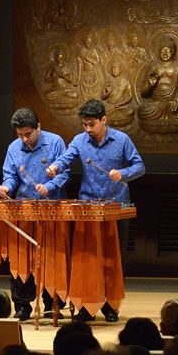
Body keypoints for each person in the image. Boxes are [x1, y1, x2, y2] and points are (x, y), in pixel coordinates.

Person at [47, 99, 145, 322]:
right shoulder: (79, 141)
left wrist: (123, 174)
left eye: (92, 124)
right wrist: (55, 166)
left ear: (104, 120)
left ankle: (111, 306)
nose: (88, 129)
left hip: (116, 206)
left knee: (113, 259)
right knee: (86, 260)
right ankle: (86, 306)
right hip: (88, 207)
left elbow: (140, 166)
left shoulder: (121, 140)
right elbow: (66, 158)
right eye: (84, 125)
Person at [0, 108, 70, 320]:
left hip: (52, 209)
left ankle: (52, 303)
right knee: (20, 257)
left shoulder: (55, 142)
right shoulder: (14, 147)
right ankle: (21, 305)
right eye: (20, 134)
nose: (24, 138)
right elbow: (11, 176)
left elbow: (64, 173)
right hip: (24, 209)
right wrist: (6, 188)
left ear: (38, 127)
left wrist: (50, 185)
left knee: (52, 257)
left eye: (28, 134)